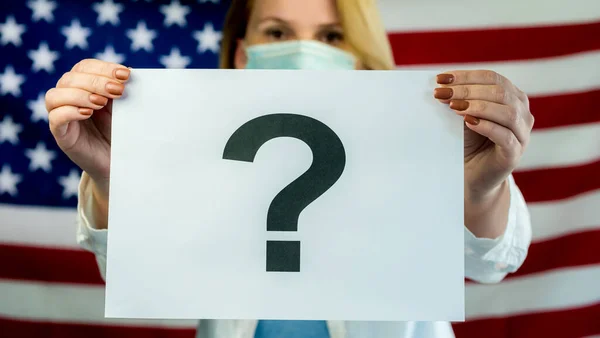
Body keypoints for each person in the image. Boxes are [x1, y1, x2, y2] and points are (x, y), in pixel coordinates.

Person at [45, 0, 533, 337]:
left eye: (332, 35)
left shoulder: (416, 144)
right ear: (241, 54)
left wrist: (479, 189)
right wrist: (117, 179)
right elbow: (134, 270)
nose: (306, 50)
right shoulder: (193, 150)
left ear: (362, 57)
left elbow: (492, 263)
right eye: (276, 32)